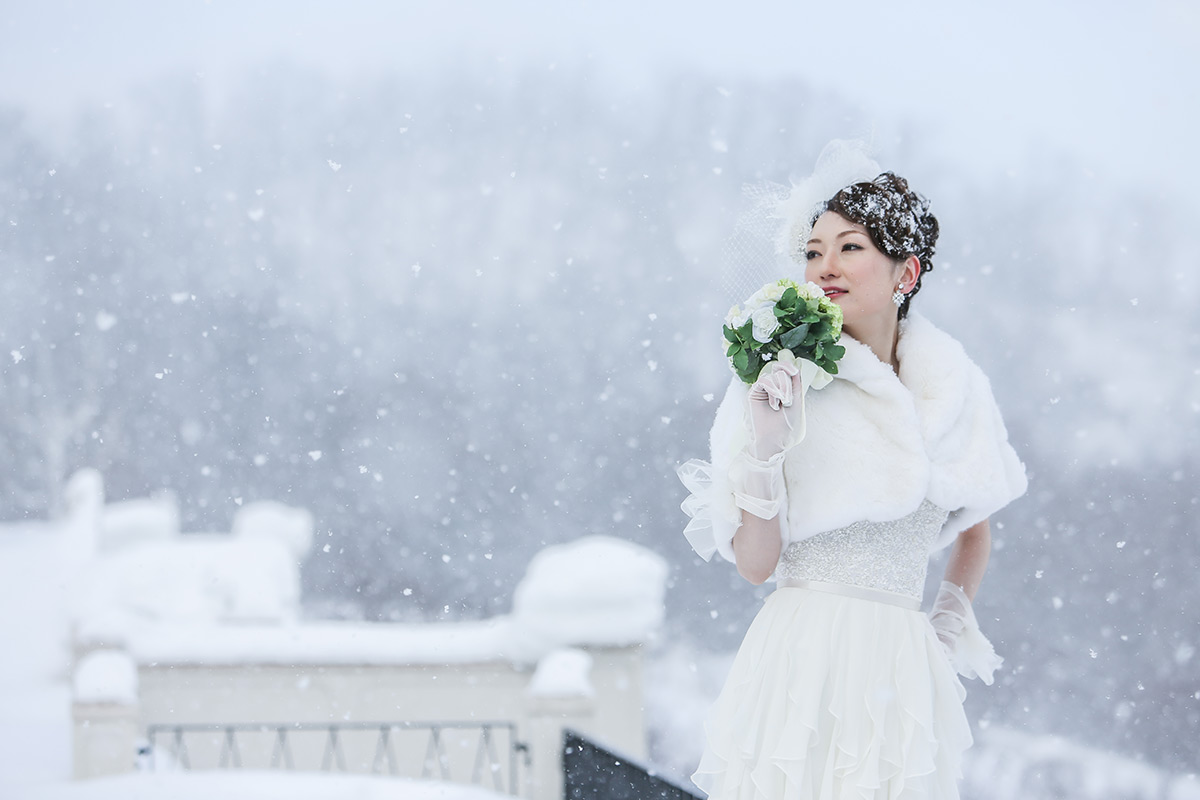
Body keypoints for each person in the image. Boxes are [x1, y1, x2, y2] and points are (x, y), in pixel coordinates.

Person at [676, 145, 1027, 800]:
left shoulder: (954, 387)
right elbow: (756, 564)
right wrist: (767, 449)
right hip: (801, 656)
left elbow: (975, 526)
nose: (825, 266)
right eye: (812, 251)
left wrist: (941, 640)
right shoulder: (782, 378)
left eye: (849, 246)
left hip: (902, 664)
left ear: (906, 270)